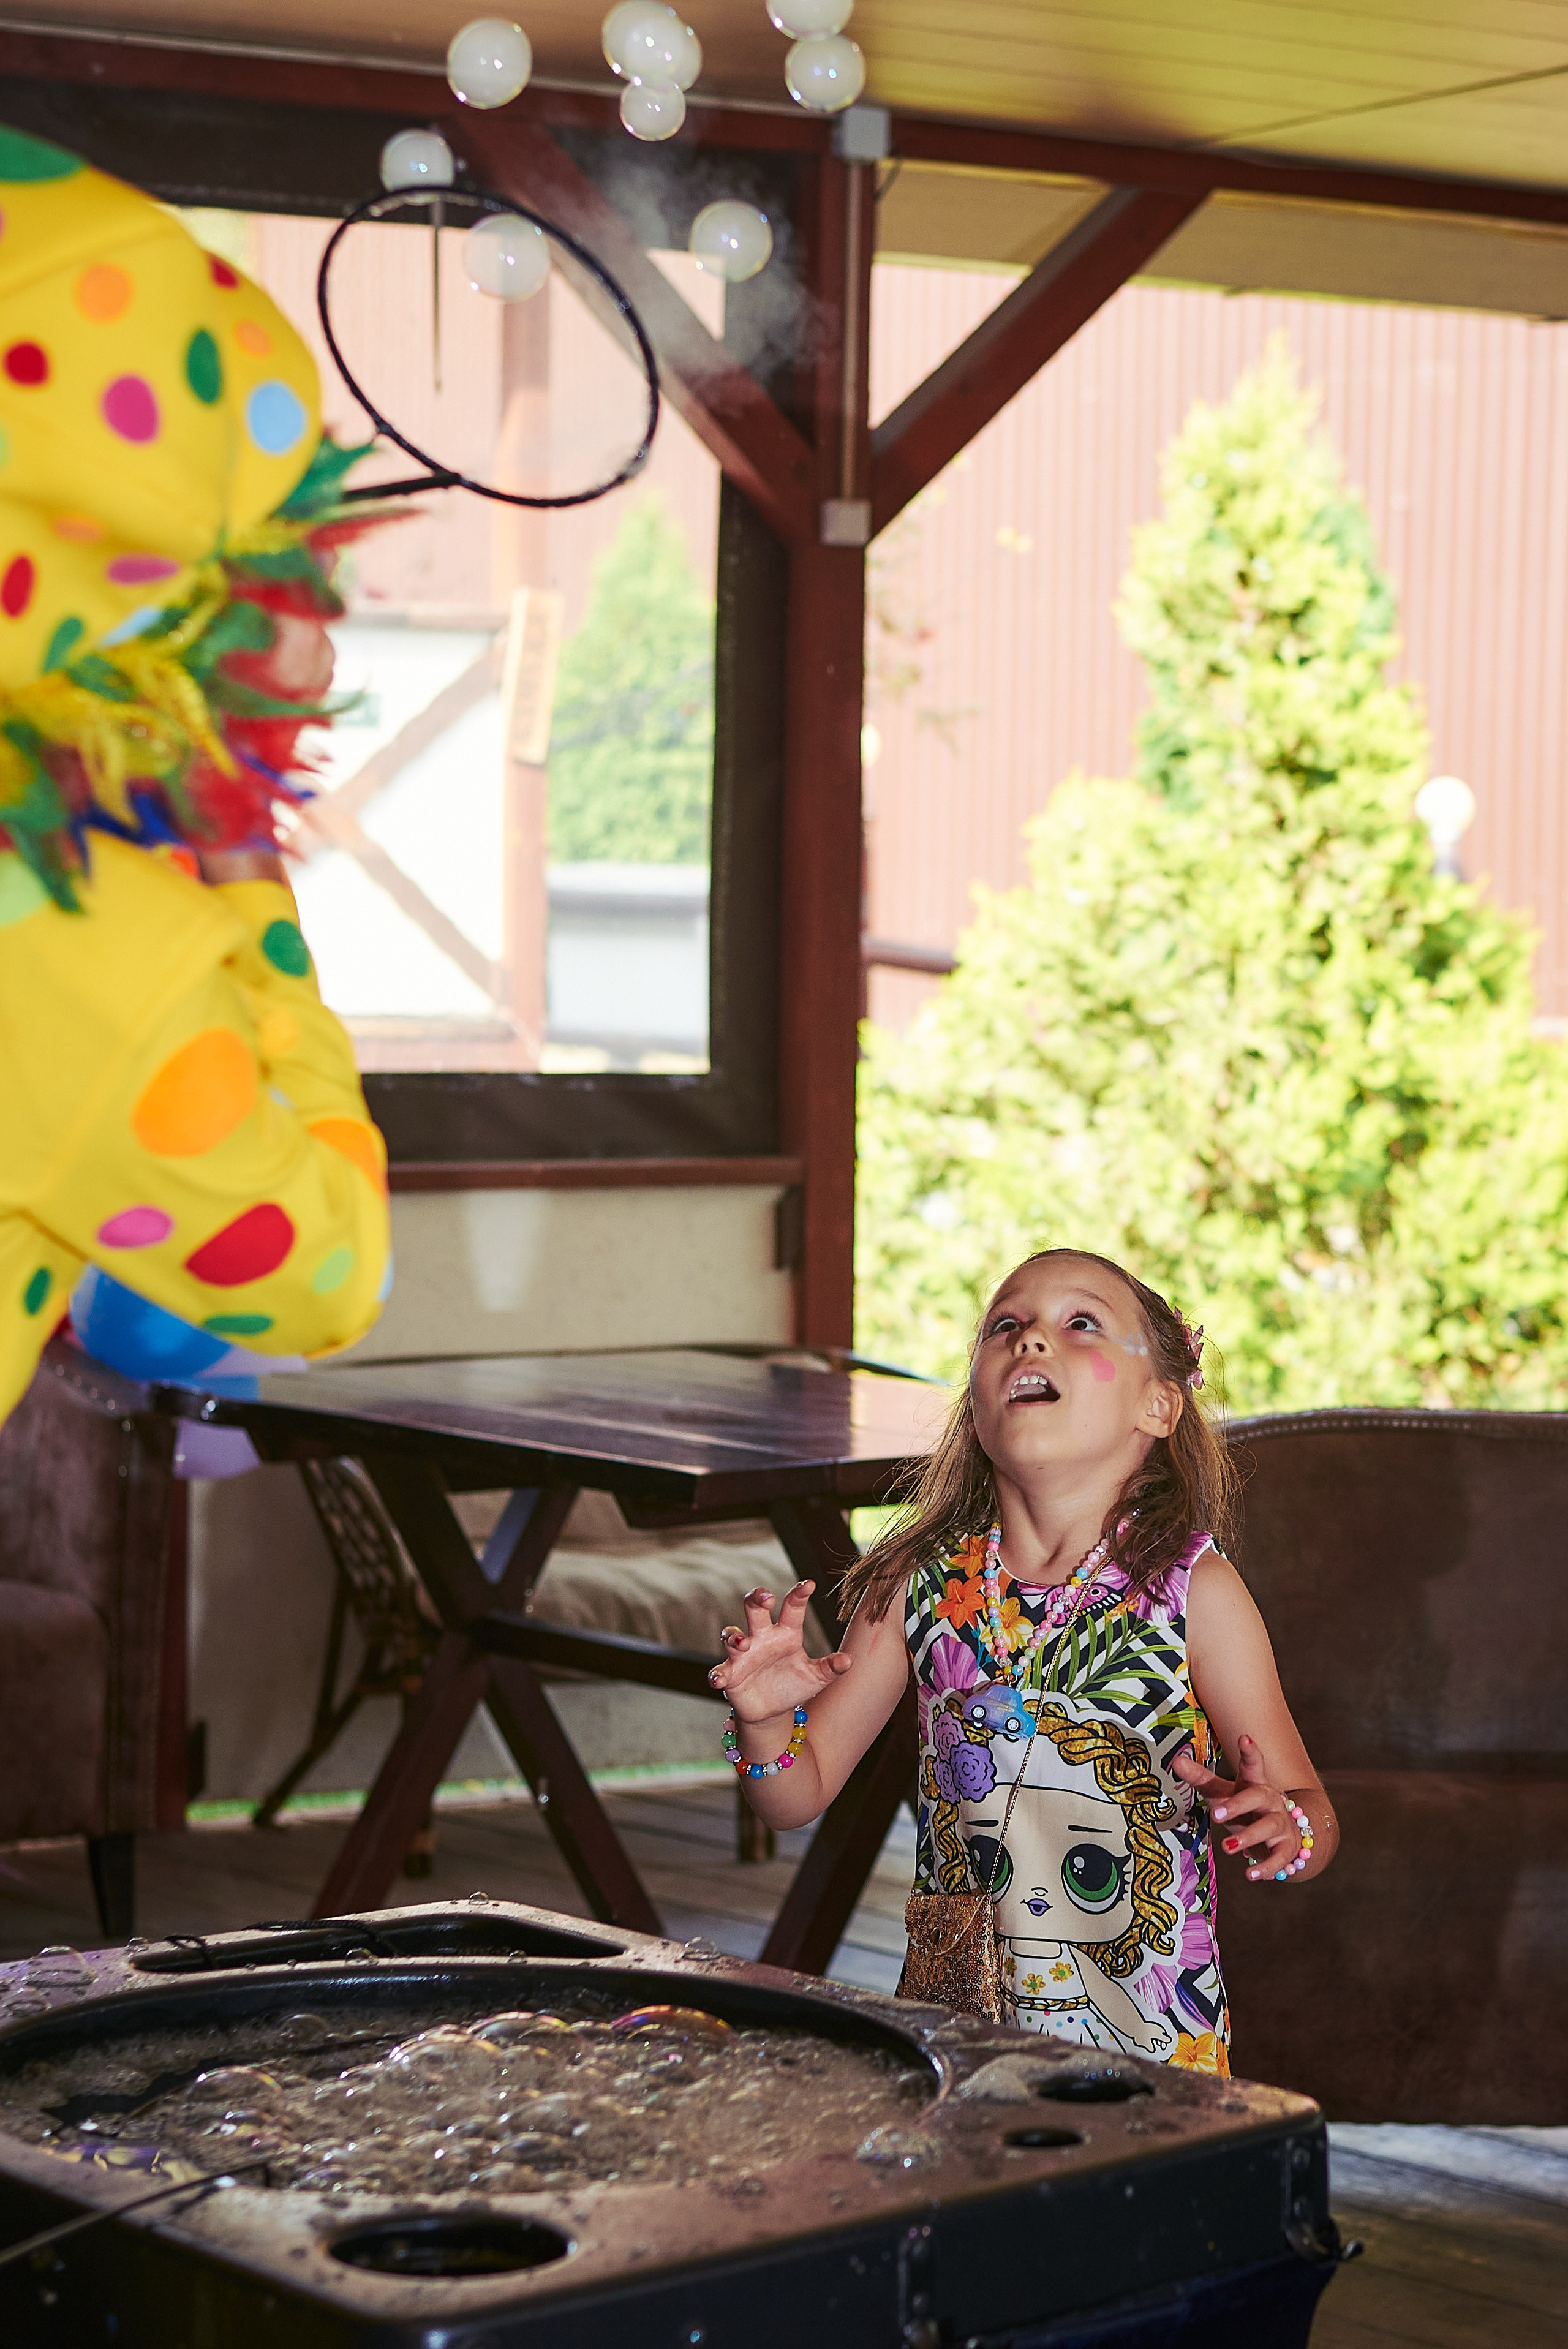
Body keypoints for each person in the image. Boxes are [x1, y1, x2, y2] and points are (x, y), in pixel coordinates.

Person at [709, 1247, 1338, 2074]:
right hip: (955, 2037)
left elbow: (1312, 1813)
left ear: (1158, 1406)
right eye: (1005, 1325)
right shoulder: (917, 1581)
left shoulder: (1197, 1594)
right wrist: (763, 1726)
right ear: (974, 1404)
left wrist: (1282, 1825)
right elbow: (795, 1794)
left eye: (1081, 1323)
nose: (1032, 1340)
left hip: (1147, 2046)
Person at [0, 126, 392, 1424]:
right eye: (285, 569)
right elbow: (328, 1270)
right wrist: (244, 875)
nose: (325, 635)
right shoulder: (80, 949)